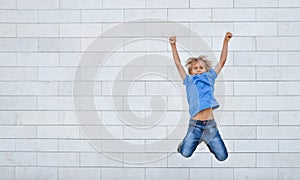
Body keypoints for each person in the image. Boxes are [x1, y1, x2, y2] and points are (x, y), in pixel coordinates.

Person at [169, 32, 232, 161]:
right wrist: (173, 45)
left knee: (223, 156)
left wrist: (226, 41)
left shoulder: (210, 77)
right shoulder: (188, 80)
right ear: (191, 71)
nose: (198, 69)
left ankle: (207, 140)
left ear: (206, 70)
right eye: (195, 68)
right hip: (195, 126)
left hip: (210, 126)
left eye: (201, 67)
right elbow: (178, 64)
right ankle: (189, 142)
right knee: (185, 153)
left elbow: (222, 61)